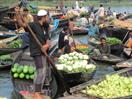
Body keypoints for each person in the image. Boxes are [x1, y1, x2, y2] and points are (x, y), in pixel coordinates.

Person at [17, 10, 51, 98]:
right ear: (43, 17)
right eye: (47, 16)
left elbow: (48, 37)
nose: (47, 18)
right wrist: (17, 14)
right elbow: (22, 24)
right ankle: (37, 92)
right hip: (36, 51)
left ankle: (38, 89)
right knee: (40, 70)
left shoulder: (46, 26)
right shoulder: (33, 25)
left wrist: (46, 45)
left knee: (43, 71)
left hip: (44, 51)